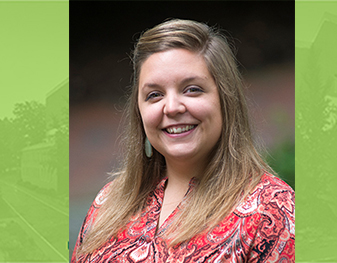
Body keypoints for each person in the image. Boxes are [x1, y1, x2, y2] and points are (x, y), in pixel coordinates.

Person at [72, 19, 295, 262]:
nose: (172, 107)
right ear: (139, 111)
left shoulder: (272, 210)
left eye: (192, 89)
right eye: (154, 95)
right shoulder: (109, 202)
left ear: (226, 100)